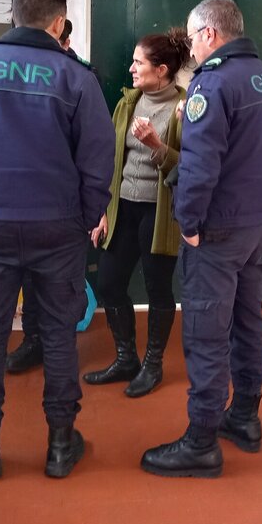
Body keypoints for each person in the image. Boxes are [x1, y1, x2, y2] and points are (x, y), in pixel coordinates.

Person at [0, 0, 114, 481]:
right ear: (59, 23)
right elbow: (99, 158)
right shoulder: (77, 78)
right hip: (59, 229)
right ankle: (60, 446)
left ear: (14, 16)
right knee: (58, 336)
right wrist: (86, 217)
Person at [141, 0, 262, 478]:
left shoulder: (213, 83)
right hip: (256, 224)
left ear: (209, 34)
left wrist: (189, 223)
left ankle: (201, 441)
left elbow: (201, 166)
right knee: (248, 321)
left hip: (218, 228)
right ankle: (244, 417)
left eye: (191, 37)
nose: (190, 48)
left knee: (206, 332)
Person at [84, 30, 189, 398]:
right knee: (109, 283)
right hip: (123, 207)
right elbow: (113, 160)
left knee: (158, 288)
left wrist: (156, 145)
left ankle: (153, 365)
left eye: (138, 62)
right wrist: (104, 209)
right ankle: (126, 359)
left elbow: (190, 167)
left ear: (161, 70)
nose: (131, 68)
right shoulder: (128, 103)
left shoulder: (184, 108)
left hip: (160, 214)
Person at [4, 17, 76, 376]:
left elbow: (91, 149)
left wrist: (89, 209)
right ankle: (34, 342)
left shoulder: (77, 77)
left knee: (59, 288)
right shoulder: (13, 73)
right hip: (20, 200)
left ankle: (58, 347)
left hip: (61, 206)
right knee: (30, 281)